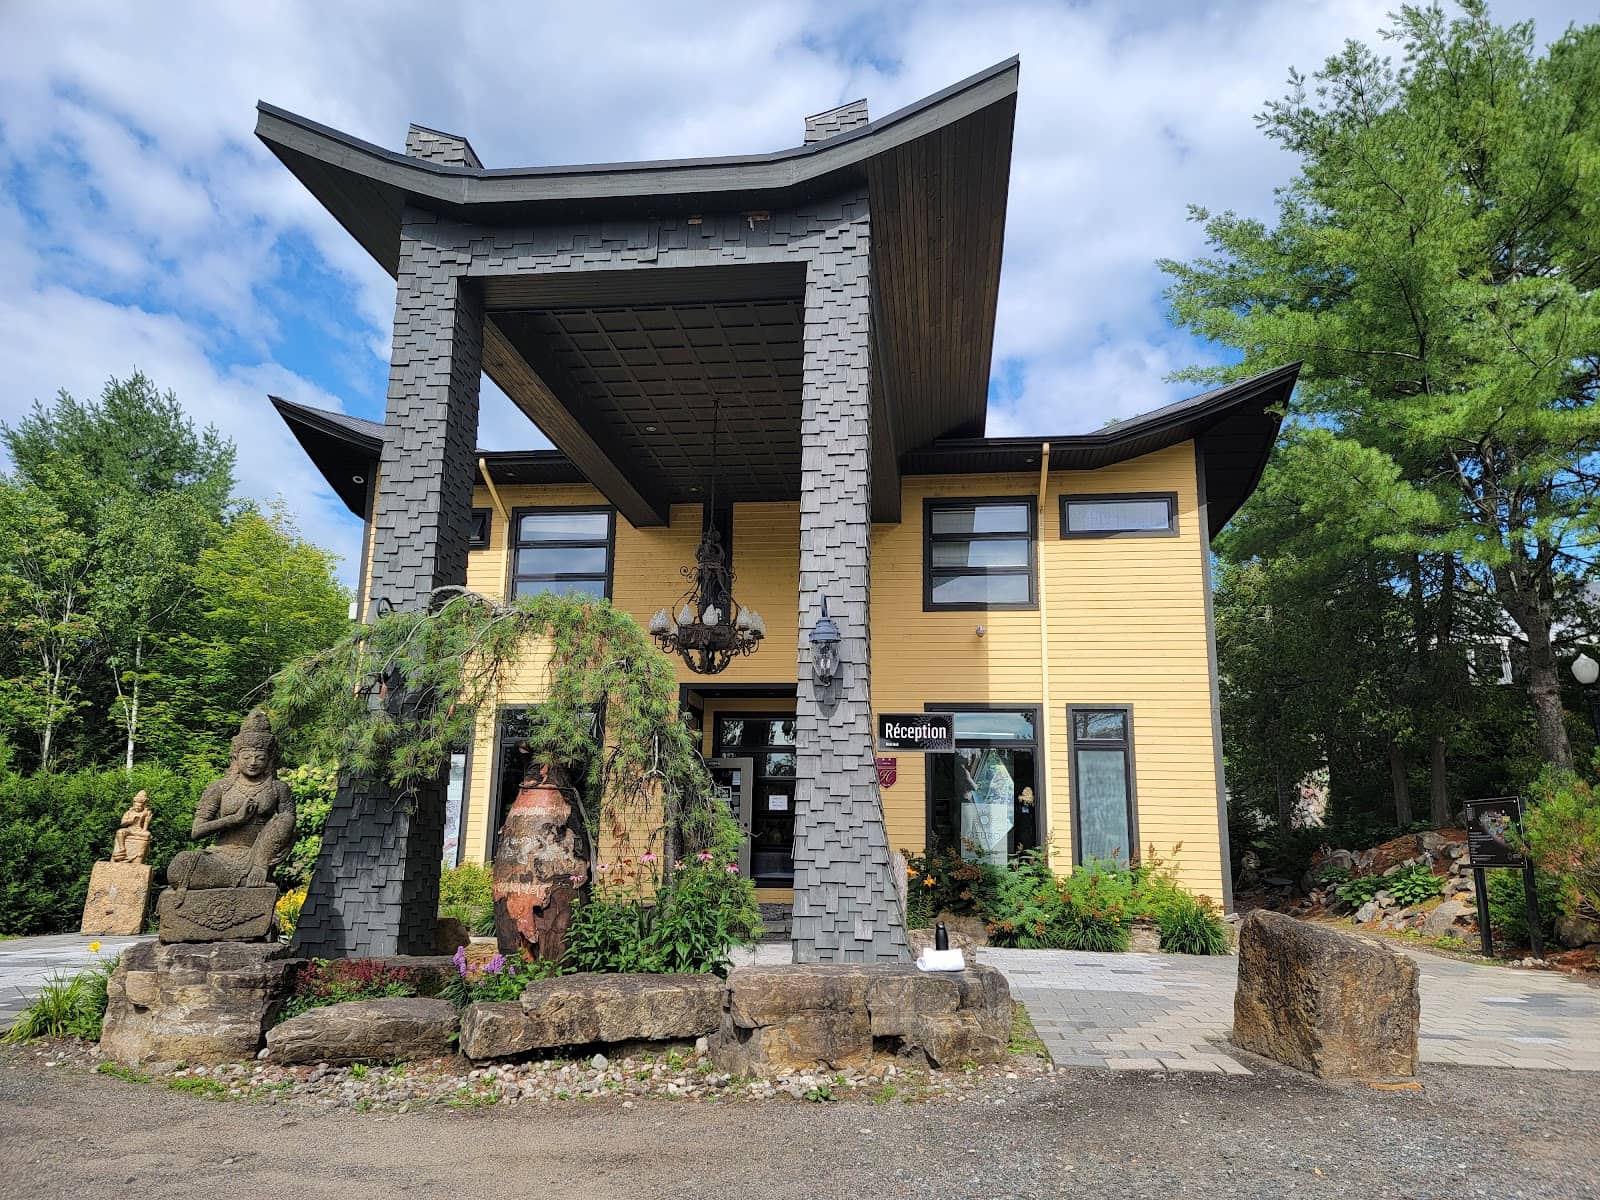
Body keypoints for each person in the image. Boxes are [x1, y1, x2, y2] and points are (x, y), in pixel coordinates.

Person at [166, 710, 296, 892]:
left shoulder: (278, 788)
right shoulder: (220, 787)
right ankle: (238, 879)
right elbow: (196, 831)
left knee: (286, 819)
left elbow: (288, 829)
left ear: (269, 760)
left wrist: (261, 862)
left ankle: (257, 872)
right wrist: (233, 819)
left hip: (258, 857)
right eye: (246, 757)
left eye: (260, 757)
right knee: (179, 866)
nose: (253, 762)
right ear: (236, 758)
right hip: (221, 857)